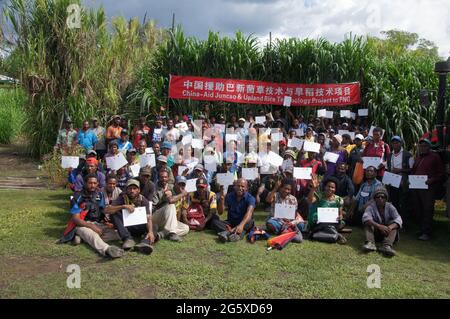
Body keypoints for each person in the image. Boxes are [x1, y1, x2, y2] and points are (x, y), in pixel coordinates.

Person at [63, 174, 123, 258]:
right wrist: (91, 226)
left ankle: (83, 238)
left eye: (95, 183)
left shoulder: (99, 195)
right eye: (90, 183)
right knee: (92, 235)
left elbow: (103, 210)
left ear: (97, 183)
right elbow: (75, 219)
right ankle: (107, 250)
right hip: (82, 225)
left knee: (118, 233)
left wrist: (107, 221)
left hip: (97, 224)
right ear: (85, 183)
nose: (92, 185)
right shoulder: (77, 197)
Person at [105, 179, 155, 254]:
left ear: (138, 190)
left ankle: (144, 243)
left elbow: (148, 218)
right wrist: (123, 206)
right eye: (130, 188)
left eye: (134, 189)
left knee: (154, 226)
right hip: (126, 227)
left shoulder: (143, 200)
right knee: (114, 213)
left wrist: (150, 231)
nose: (132, 191)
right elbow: (107, 210)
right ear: (126, 189)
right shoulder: (122, 198)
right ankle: (128, 239)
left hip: (139, 227)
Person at [410, 138, 445, 240]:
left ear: (429, 147)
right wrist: (410, 180)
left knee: (427, 209)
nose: (422, 148)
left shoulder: (435, 157)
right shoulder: (418, 157)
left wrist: (431, 180)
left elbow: (441, 173)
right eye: (421, 146)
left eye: (425, 146)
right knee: (418, 208)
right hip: (416, 187)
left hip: (428, 188)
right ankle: (422, 229)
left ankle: (427, 232)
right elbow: (413, 171)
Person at [362, 187, 402, 257]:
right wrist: (379, 226)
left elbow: (399, 219)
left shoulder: (390, 207)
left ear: (386, 199)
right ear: (374, 199)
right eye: (378, 197)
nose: (380, 198)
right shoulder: (370, 207)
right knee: (368, 223)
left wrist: (390, 227)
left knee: (394, 224)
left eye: (382, 197)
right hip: (376, 233)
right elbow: (365, 218)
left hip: (387, 233)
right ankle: (370, 243)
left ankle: (386, 246)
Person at [306, 174, 347, 244]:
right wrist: (313, 188)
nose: (330, 189)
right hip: (318, 220)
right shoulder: (319, 195)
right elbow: (310, 201)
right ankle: (335, 234)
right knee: (319, 221)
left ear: (335, 189)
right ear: (325, 187)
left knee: (342, 223)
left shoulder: (339, 199)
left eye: (332, 187)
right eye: (328, 186)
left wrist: (340, 217)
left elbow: (340, 214)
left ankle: (324, 232)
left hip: (331, 221)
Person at [151, 169, 190, 241]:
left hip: (167, 219)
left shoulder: (171, 187)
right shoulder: (157, 187)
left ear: (168, 178)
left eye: (183, 184)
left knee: (185, 228)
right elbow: (170, 200)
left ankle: (161, 234)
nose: (163, 179)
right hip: (155, 216)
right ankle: (172, 233)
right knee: (171, 206)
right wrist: (182, 194)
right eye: (161, 177)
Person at [386, 136, 413, 226]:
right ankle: (396, 222)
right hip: (392, 182)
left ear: (401, 143)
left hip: (403, 182)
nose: (395, 144)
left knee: (404, 203)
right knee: (394, 202)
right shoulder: (390, 155)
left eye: (397, 142)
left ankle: (404, 223)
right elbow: (388, 168)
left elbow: (411, 169)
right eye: (393, 143)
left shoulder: (407, 154)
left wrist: (400, 170)